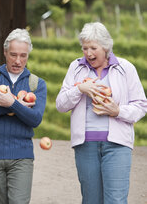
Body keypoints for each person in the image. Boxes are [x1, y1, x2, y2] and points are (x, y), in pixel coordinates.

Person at [56, 22, 147, 204]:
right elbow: (60, 105)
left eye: (93, 48)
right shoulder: (76, 68)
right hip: (85, 145)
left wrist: (118, 111)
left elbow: (141, 105)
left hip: (117, 145)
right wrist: (80, 89)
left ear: (105, 47)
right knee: (91, 200)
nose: (88, 53)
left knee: (116, 200)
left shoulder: (125, 67)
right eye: (85, 48)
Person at [0, 28, 47, 204]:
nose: (18, 61)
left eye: (23, 55)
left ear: (28, 55)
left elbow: (35, 119)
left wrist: (11, 104)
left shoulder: (36, 84)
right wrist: (12, 105)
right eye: (13, 54)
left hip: (22, 156)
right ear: (5, 52)